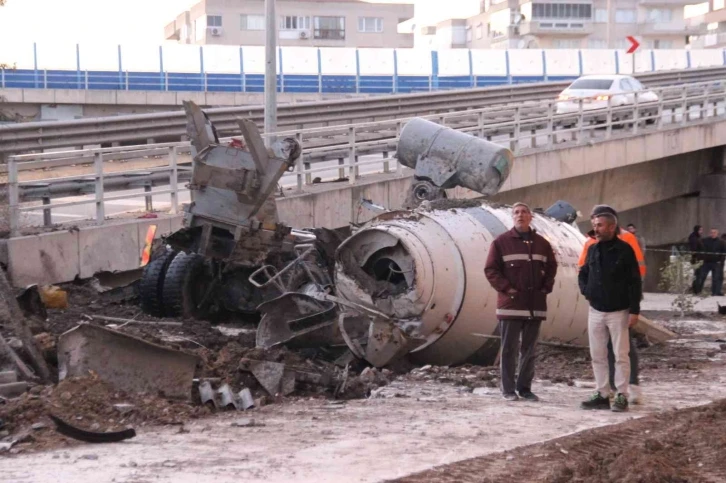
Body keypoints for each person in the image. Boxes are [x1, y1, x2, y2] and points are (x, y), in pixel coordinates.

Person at [485, 202, 558, 402]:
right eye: (516, 212)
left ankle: (525, 388)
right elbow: (491, 270)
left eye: (524, 212)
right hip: (511, 305)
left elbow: (551, 267)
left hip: (535, 306)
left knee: (530, 349)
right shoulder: (501, 242)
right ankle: (508, 390)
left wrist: (546, 287)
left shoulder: (542, 243)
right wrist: (508, 289)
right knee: (508, 349)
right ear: (512, 216)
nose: (520, 215)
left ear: (530, 217)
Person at [577, 205, 644, 405]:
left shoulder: (625, 250)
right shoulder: (593, 248)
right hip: (596, 310)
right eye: (595, 225)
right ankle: (603, 393)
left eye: (599, 225)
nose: (595, 229)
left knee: (620, 355)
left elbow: (635, 282)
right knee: (597, 354)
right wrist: (587, 291)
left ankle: (622, 394)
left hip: (619, 311)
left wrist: (634, 310)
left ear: (612, 227)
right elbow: (583, 273)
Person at [698, 228, 726, 296]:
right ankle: (698, 291)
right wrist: (702, 258)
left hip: (717, 263)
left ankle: (715, 292)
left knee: (716, 278)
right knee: (702, 276)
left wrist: (721, 261)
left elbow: (724, 253)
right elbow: (700, 249)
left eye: (714, 232)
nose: (713, 234)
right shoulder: (705, 240)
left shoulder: (722, 242)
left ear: (717, 233)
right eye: (711, 232)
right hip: (706, 262)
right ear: (710, 233)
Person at [689, 225, 704, 293]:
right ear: (697, 230)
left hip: (698, 258)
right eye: (700, 230)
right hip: (696, 259)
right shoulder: (694, 238)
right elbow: (694, 250)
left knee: (697, 274)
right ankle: (696, 290)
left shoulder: (696, 237)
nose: (701, 231)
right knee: (698, 275)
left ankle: (695, 289)